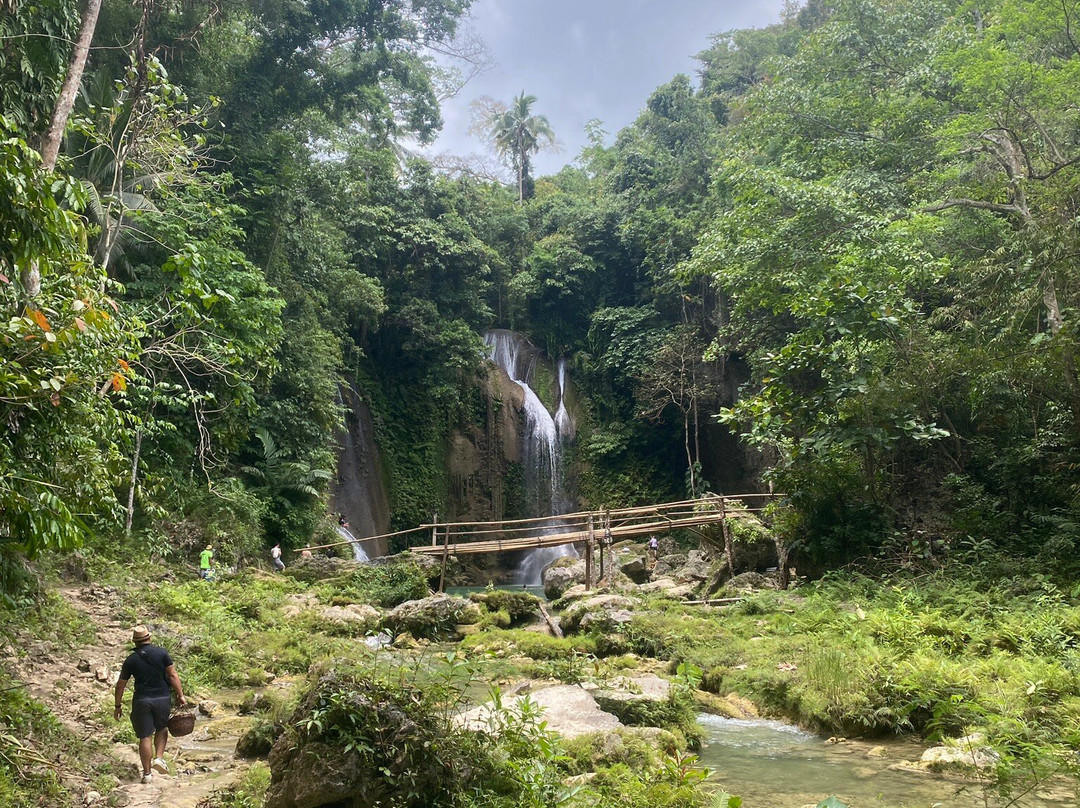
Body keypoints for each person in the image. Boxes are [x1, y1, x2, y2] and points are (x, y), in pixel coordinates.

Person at [114, 625, 187, 784]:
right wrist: (181, 695)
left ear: (135, 642)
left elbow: (121, 684)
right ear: (149, 638)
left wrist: (117, 706)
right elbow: (173, 675)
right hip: (162, 698)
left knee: (144, 736)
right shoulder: (162, 653)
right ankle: (159, 758)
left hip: (142, 700)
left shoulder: (131, 659)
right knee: (162, 728)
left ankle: (147, 774)